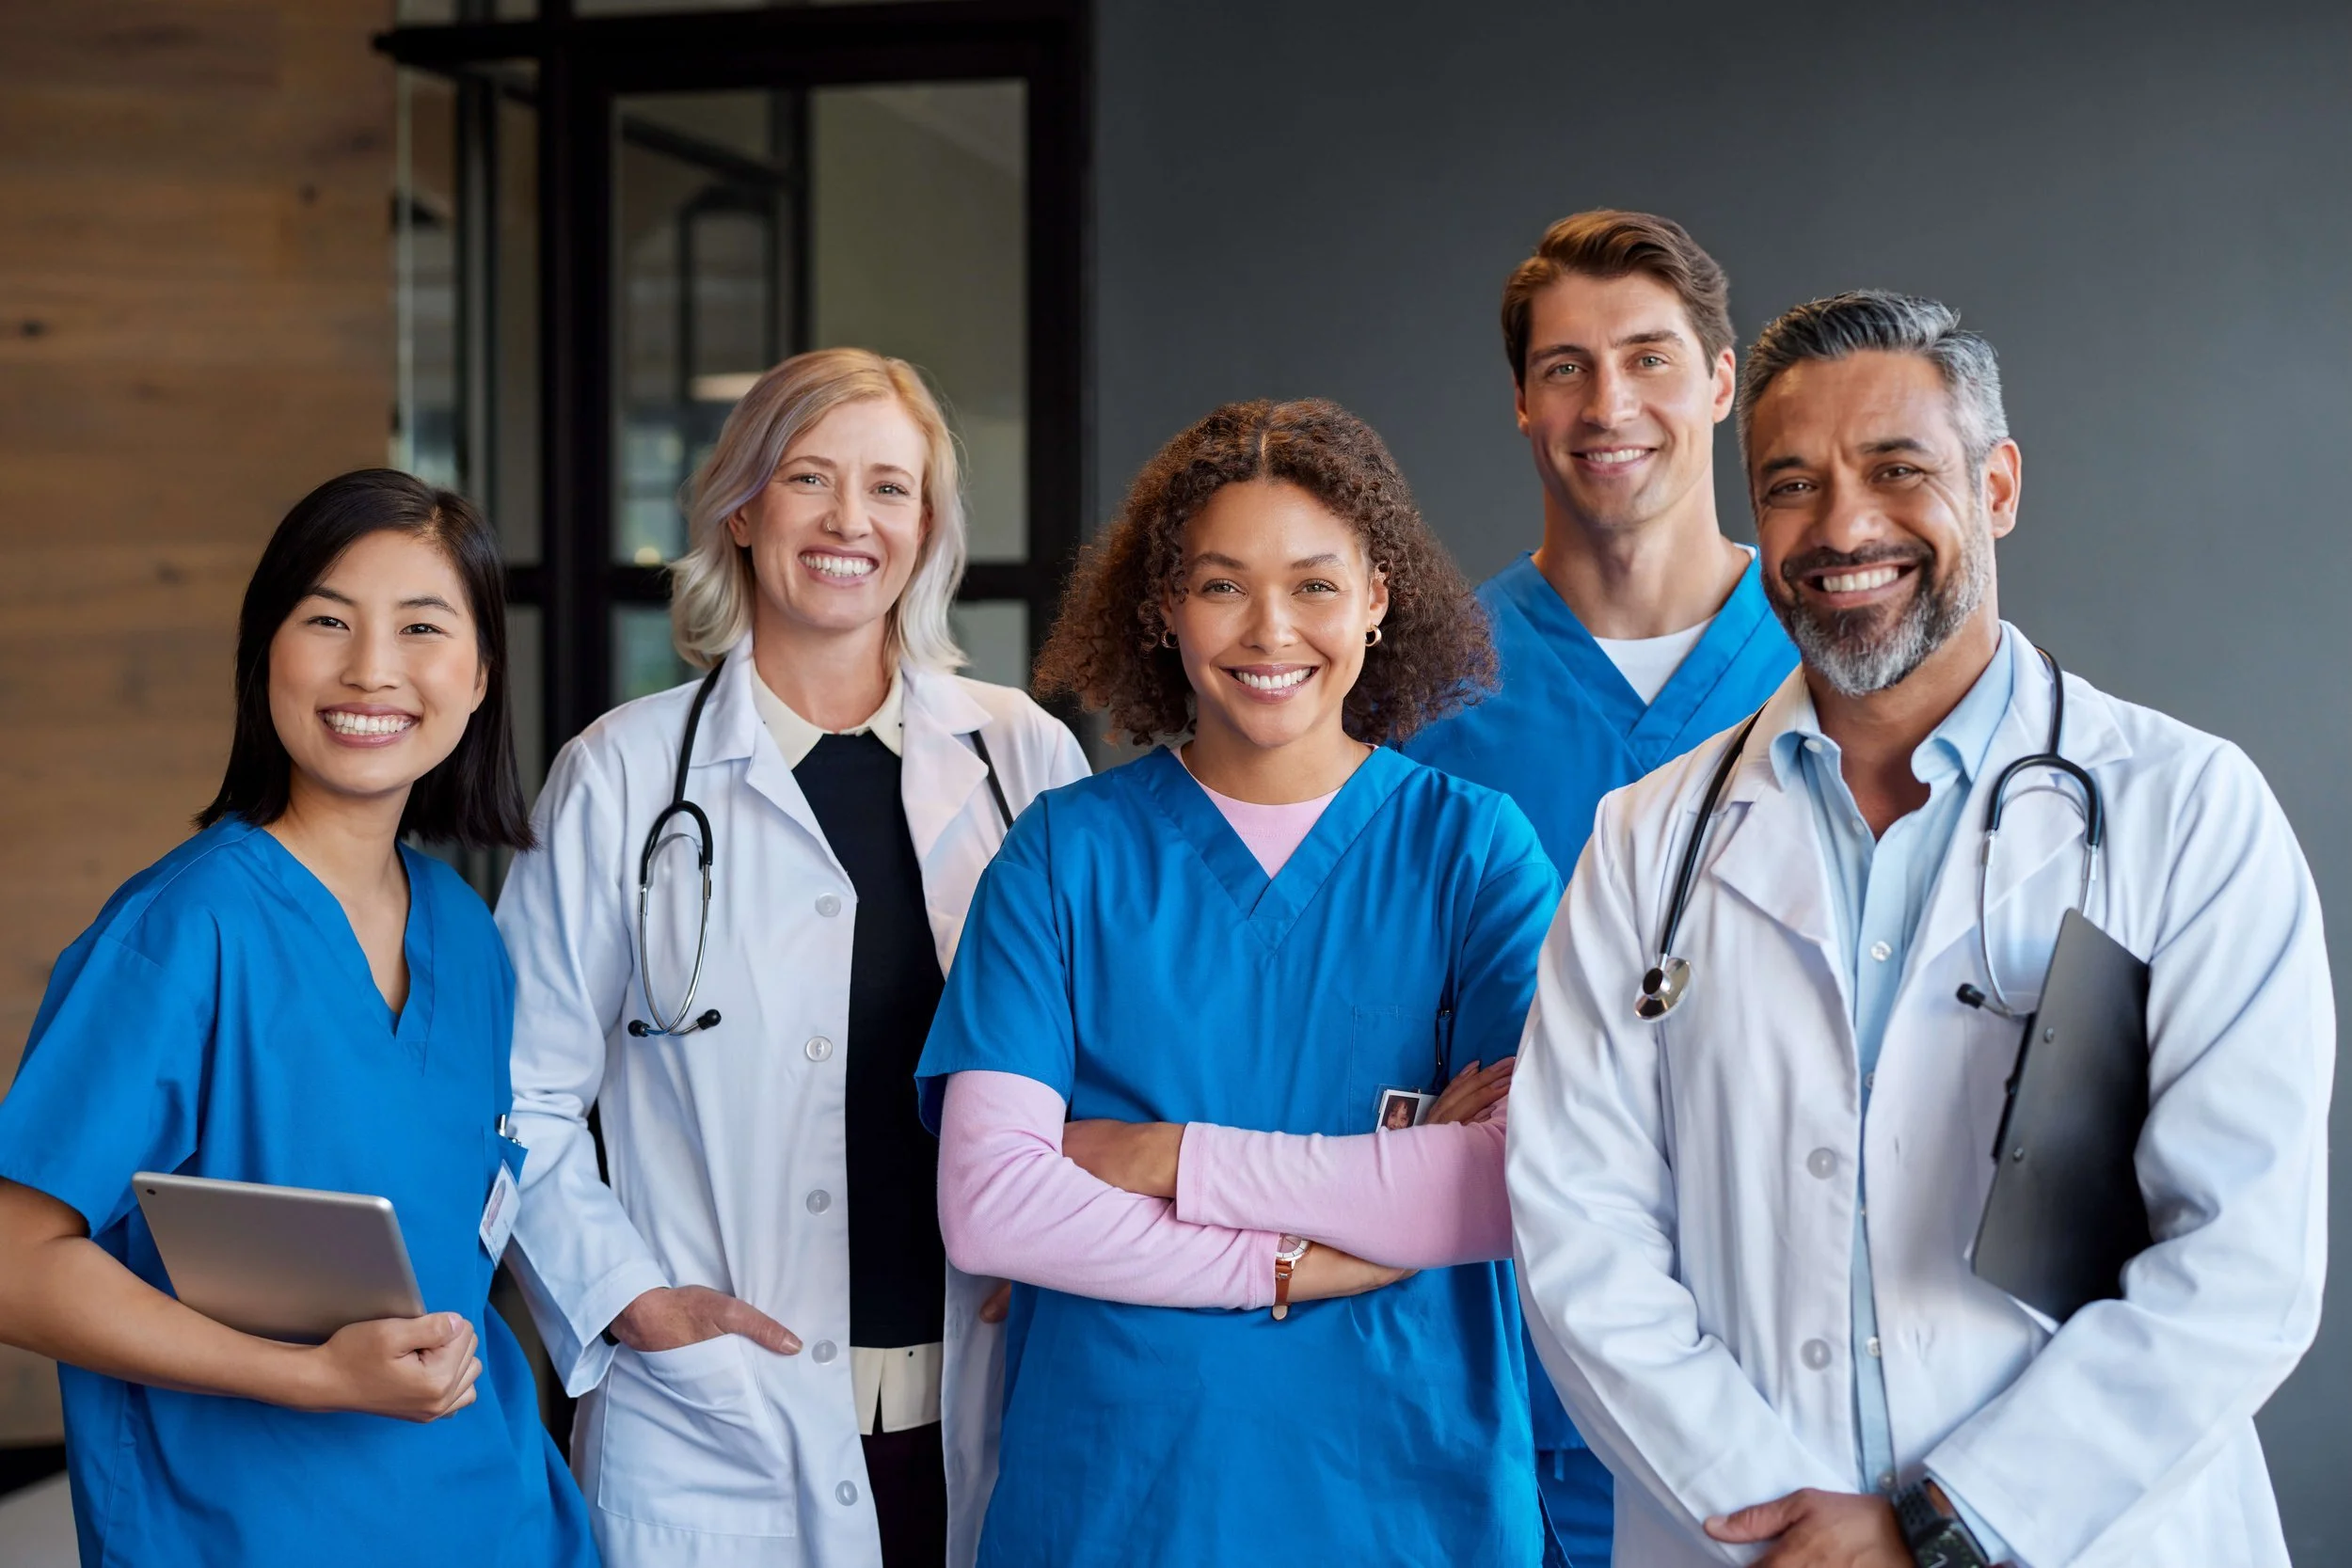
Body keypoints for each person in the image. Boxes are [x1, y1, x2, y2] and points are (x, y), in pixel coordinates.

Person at [1507, 292, 2331, 1568]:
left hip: (2097, 1536)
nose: (1844, 526)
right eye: (1792, 484)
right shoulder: (1644, 844)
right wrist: (1792, 1529)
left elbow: (2241, 1259)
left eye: (1898, 470)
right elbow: (1578, 1235)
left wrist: (1937, 1528)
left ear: (1996, 485)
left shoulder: (2186, 813)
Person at [917, 398, 1561, 1566]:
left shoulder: (1473, 851)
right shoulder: (1065, 853)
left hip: (1405, 1491)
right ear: (1163, 608)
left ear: (1378, 596)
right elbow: (992, 1203)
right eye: (1221, 585)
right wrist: (1302, 1255)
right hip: (1123, 1493)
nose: (1271, 629)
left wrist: (1166, 1156)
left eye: (1316, 584)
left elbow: (1512, 1188)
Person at [497, 348, 1087, 1568]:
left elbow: (1107, 1061)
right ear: (742, 507)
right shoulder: (622, 773)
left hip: (986, 1382)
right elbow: (522, 1094)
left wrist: (1071, 1232)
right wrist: (628, 1300)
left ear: (927, 526)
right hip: (721, 1409)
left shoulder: (1019, 757)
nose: (848, 519)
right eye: (809, 476)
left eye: (889, 486)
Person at [0, 470, 594, 1567]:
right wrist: (314, 1374)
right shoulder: (184, 930)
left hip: (492, 1516)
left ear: (477, 677)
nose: (371, 667)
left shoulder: (464, 933)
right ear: (263, 653)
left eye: (422, 626)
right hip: (245, 1530)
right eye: (327, 619)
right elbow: (14, 1259)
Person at [1404, 208, 1798, 1566]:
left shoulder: (1834, 667)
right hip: (1505, 1365)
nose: (1607, 403)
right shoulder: (1423, 692)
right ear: (1521, 401)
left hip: (1777, 1361)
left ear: (1723, 379)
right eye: (1566, 366)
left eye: (1647, 357)